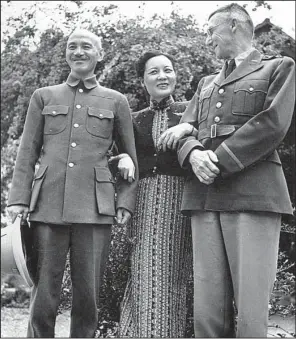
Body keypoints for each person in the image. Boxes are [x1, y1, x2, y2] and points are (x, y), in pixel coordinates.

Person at [168, 3, 295, 337]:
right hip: (205, 195)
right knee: (208, 309)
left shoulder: (278, 67)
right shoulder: (205, 83)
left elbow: (272, 124)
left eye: (211, 30)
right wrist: (193, 153)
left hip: (253, 193)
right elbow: (183, 129)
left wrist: (217, 160)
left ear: (236, 26)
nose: (207, 38)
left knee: (251, 310)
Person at [7, 29, 138, 338]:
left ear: (100, 55)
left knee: (88, 292)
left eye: (87, 47)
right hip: (47, 204)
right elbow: (28, 150)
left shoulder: (116, 101)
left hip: (95, 208)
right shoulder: (44, 96)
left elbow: (130, 156)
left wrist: (125, 202)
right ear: (66, 54)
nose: (79, 52)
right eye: (72, 47)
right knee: (45, 289)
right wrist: (19, 198)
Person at [111, 51, 197, 338]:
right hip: (145, 202)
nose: (163, 76)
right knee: (144, 272)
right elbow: (115, 156)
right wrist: (120, 161)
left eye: (168, 70)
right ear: (143, 81)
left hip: (182, 202)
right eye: (154, 72)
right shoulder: (133, 119)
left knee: (177, 275)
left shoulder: (190, 111)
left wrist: (189, 126)